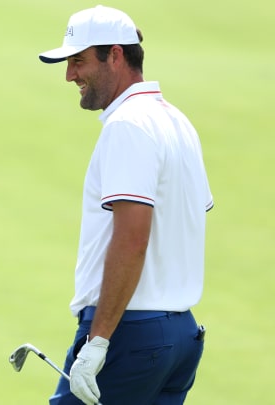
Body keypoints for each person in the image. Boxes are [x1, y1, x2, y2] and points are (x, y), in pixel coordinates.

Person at [37, 6, 213, 405]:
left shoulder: (127, 125)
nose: (70, 75)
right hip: (180, 335)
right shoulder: (176, 121)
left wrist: (98, 342)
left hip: (130, 335)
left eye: (78, 61)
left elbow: (132, 239)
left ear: (115, 55)